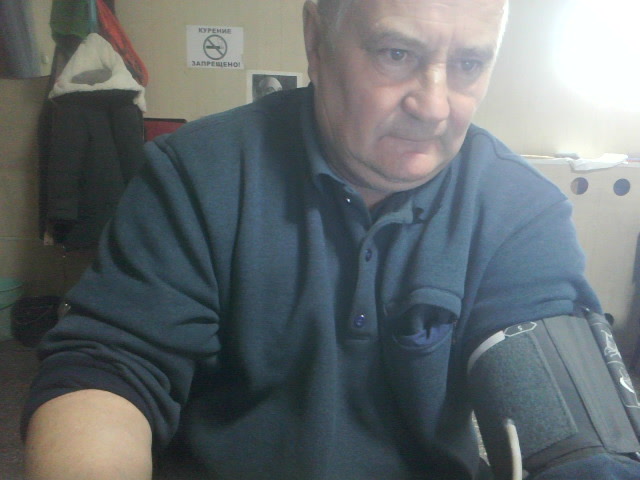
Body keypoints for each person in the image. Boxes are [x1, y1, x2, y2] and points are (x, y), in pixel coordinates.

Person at [22, 0, 640, 479]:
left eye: (469, 65)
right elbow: (107, 374)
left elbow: (570, 426)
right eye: (396, 54)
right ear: (316, 41)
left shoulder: (520, 209)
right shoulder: (195, 176)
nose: (434, 105)